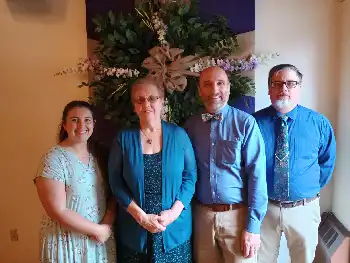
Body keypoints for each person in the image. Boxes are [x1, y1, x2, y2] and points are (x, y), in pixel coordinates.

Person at [253, 64, 336, 263]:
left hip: (304, 209)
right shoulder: (253, 123)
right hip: (264, 209)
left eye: (291, 83)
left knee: (304, 260)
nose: (284, 89)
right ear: (269, 89)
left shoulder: (319, 123)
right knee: (260, 260)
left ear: (299, 88)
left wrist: (304, 190)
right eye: (277, 83)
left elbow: (326, 162)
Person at [184, 66, 268, 263]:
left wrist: (253, 227)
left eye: (220, 83)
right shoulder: (190, 126)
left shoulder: (246, 123)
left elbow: (257, 175)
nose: (214, 90)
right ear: (200, 90)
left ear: (229, 88)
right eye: (207, 84)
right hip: (202, 217)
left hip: (237, 218)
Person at [108, 77, 197, 263]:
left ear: (162, 101)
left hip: (174, 231)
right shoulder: (123, 139)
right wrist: (140, 216)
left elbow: (190, 177)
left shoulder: (179, 135)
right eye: (139, 100)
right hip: (134, 230)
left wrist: (173, 214)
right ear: (134, 106)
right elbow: (115, 182)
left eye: (152, 98)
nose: (146, 104)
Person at [34, 100, 117, 263]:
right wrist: (98, 230)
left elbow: (112, 195)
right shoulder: (53, 159)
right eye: (74, 120)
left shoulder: (100, 155)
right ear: (64, 125)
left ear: (93, 124)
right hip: (66, 243)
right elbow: (57, 210)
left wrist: (106, 225)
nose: (81, 125)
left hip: (98, 241)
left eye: (87, 120)